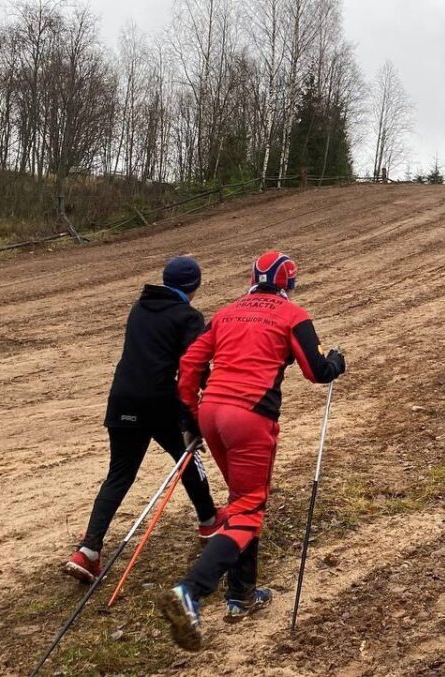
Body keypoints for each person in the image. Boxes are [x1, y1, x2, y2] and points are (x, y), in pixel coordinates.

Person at [158, 251, 346, 651]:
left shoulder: (226, 312)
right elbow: (315, 371)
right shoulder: (292, 314)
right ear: (288, 282)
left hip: (212, 411)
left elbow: (190, 362)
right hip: (250, 416)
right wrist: (336, 363)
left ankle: (241, 595)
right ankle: (190, 592)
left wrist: (190, 419)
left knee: (240, 500)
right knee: (250, 507)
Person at [64, 257, 222, 584]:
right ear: (194, 286)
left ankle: (88, 550)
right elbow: (194, 365)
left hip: (122, 398)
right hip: (160, 401)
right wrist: (198, 409)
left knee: (119, 475)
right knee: (188, 455)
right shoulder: (187, 316)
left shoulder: (140, 307)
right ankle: (209, 520)